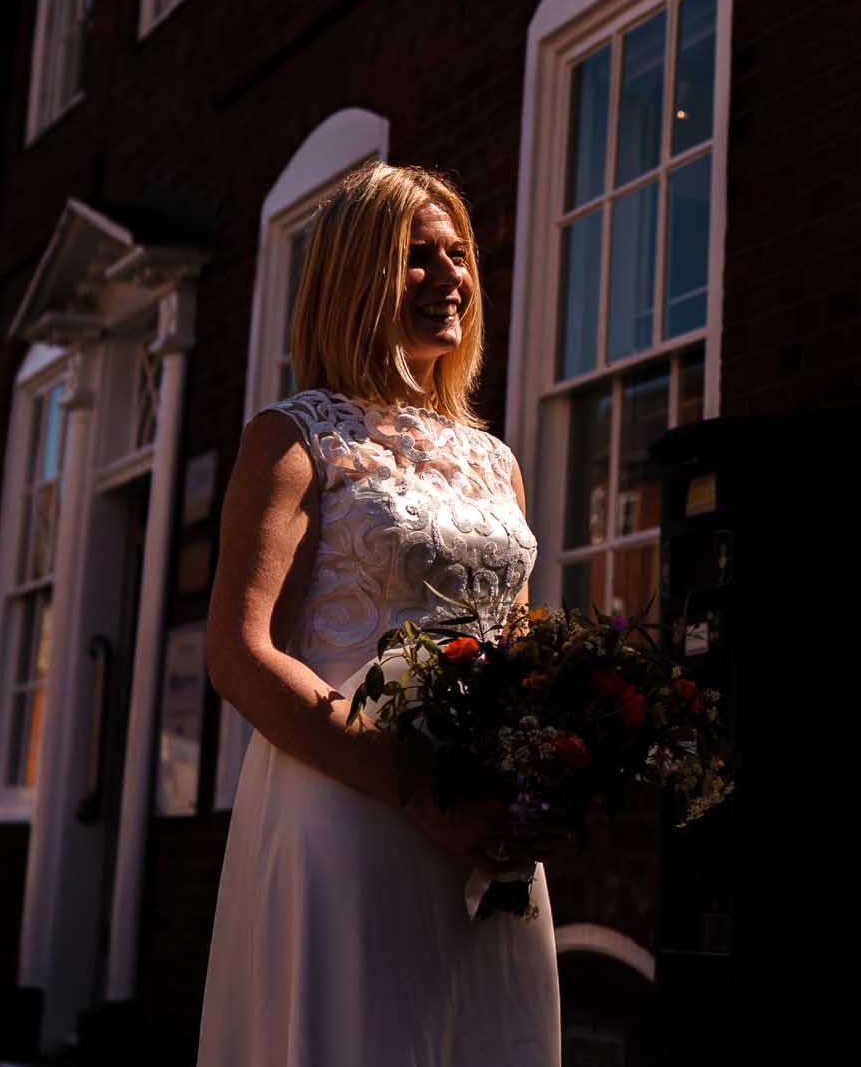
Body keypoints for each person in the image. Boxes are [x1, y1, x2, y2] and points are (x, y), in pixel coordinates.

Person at [200, 161, 561, 1065]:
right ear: (356, 272)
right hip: (350, 814)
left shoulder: (497, 460)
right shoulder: (294, 437)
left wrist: (539, 771)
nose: (452, 276)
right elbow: (240, 653)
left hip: (486, 837)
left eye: (458, 253)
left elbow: (515, 650)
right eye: (416, 255)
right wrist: (416, 785)